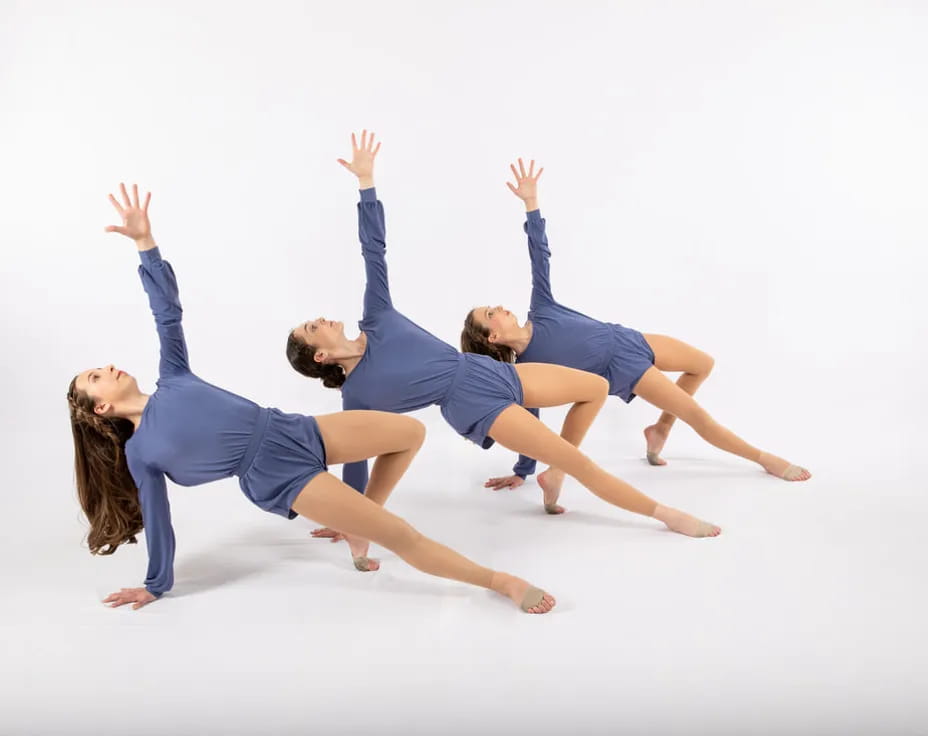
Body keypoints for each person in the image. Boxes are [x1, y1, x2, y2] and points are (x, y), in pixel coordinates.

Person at [68, 182, 554, 614]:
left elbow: (167, 314)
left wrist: (145, 245)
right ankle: (500, 582)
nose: (107, 367)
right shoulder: (140, 452)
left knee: (410, 432)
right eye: (96, 377)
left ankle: (360, 522)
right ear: (101, 408)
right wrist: (156, 585)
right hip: (275, 474)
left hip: (295, 428)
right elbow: (158, 518)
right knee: (402, 535)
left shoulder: (172, 375)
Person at [286, 132, 720, 538]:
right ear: (319, 356)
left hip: (484, 371)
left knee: (595, 386)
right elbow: (357, 458)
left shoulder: (376, 316)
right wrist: (353, 517)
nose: (320, 319)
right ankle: (665, 516)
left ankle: (547, 471)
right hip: (468, 399)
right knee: (578, 461)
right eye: (312, 328)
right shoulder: (357, 394)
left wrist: (366, 183)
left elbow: (373, 250)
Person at [460, 159, 811, 490]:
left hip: (629, 338)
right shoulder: (528, 368)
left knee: (702, 364)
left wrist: (532, 203)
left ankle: (659, 429)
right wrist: (523, 471)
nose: (501, 308)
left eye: (494, 306)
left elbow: (540, 254)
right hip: (623, 368)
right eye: (492, 313)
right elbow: (530, 421)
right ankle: (764, 459)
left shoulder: (542, 307)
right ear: (493, 336)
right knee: (698, 417)